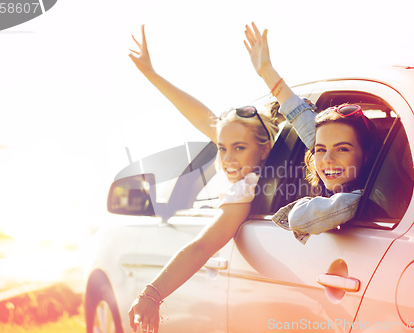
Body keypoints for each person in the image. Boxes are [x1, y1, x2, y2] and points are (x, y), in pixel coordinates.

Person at [127, 24, 279, 333]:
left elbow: (201, 247)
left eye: (239, 148)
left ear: (265, 150)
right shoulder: (263, 161)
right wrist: (151, 74)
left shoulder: (248, 190)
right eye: (222, 148)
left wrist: (152, 294)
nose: (228, 158)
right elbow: (202, 117)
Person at [244, 22, 381, 245]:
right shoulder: (348, 176)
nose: (327, 159)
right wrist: (267, 73)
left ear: (366, 154)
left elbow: (299, 218)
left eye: (342, 148)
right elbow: (303, 120)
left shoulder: (357, 200)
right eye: (319, 150)